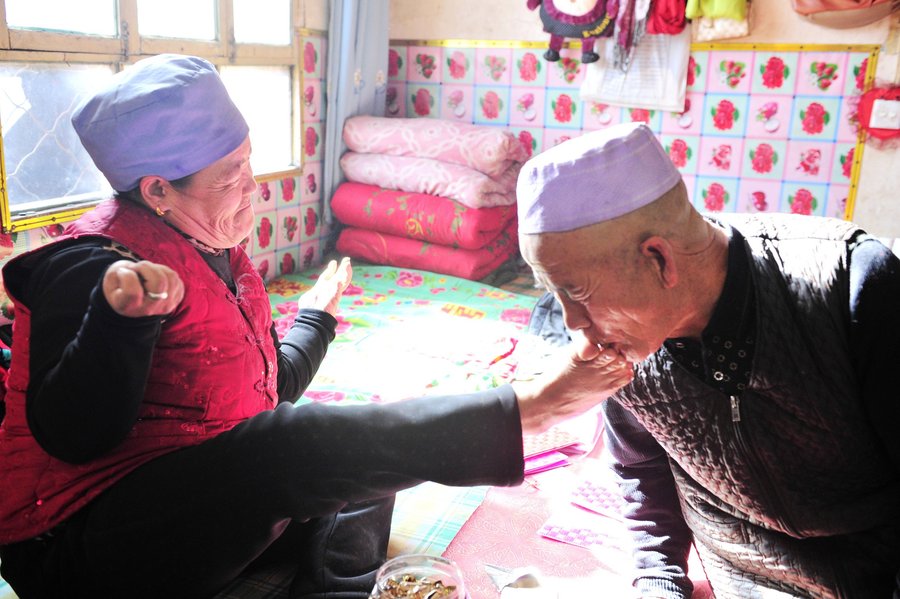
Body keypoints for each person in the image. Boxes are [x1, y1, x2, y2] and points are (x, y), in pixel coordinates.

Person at [0, 54, 635, 599]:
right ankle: (529, 408)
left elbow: (263, 398)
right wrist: (120, 323)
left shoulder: (212, 249)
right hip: (80, 549)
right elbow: (73, 436)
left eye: (249, 165)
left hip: (194, 516)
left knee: (362, 453)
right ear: (158, 191)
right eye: (231, 178)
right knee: (301, 446)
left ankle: (336, 587)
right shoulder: (93, 266)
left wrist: (316, 317)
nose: (253, 189)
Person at [516, 121, 900, 598]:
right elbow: (641, 469)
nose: (573, 323)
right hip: (743, 573)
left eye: (577, 292)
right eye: (554, 294)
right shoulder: (619, 344)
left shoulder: (850, 284)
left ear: (660, 259)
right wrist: (659, 582)